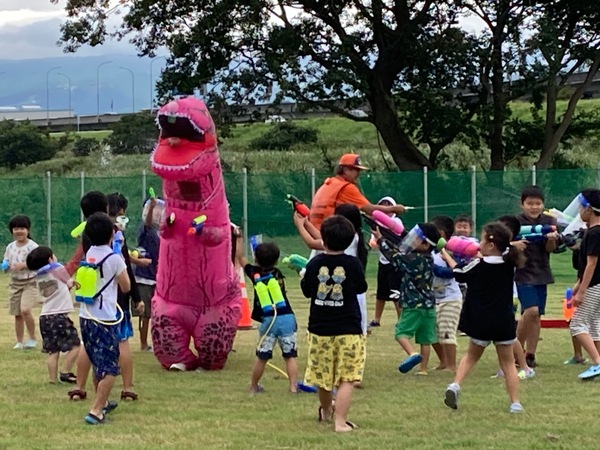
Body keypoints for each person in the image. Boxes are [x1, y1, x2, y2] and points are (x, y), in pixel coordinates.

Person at [444, 222, 525, 414]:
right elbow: (507, 250)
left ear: (490, 245)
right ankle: (515, 403)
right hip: (503, 322)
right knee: (507, 363)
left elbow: (458, 273)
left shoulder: (477, 265)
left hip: (481, 321)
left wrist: (446, 255)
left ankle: (456, 385)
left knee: (471, 356)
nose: (478, 243)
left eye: (482, 239)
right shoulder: (510, 265)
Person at [301, 215, 367, 433]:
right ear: (350, 241)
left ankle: (326, 410)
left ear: (324, 239)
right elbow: (361, 288)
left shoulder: (314, 263)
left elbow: (306, 291)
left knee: (322, 377)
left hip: (319, 329)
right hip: (349, 329)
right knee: (347, 378)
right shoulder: (353, 263)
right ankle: (340, 422)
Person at [79, 212, 131, 425]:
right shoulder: (114, 259)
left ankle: (102, 399)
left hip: (85, 316)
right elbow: (126, 286)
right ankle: (96, 410)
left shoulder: (89, 253)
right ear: (112, 232)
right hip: (105, 319)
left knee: (96, 362)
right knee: (110, 368)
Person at [375, 223, 442, 375]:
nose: (412, 240)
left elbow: (393, 256)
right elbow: (399, 252)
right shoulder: (428, 258)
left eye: (417, 239)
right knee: (425, 339)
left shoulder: (412, 259)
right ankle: (423, 370)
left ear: (425, 245)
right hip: (429, 305)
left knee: (401, 333)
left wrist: (380, 240)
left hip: (414, 305)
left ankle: (412, 354)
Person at [294, 203, 369, 335]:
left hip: (344, 289)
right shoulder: (351, 236)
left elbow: (312, 243)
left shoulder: (346, 238)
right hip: (350, 288)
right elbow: (321, 237)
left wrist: (299, 225)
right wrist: (306, 223)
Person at [241, 242, 298, 393]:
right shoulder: (278, 273)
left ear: (256, 259)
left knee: (262, 357)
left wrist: (238, 239)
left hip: (269, 319)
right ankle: (293, 387)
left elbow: (240, 258)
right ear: (277, 260)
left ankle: (253, 386)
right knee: (290, 355)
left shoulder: (254, 273)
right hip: (287, 317)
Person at [515, 186, 559, 368]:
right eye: (530, 203)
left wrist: (551, 239)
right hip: (523, 272)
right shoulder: (515, 222)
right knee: (530, 311)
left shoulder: (549, 221)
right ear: (522, 204)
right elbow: (503, 244)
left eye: (538, 203)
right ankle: (515, 351)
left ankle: (530, 355)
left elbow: (551, 249)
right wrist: (514, 244)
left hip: (542, 272)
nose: (534, 207)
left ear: (543, 205)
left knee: (536, 316)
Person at [26, 246, 80, 384]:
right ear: (50, 259)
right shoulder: (57, 270)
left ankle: (52, 380)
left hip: (45, 317)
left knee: (53, 351)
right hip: (59, 317)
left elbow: (57, 289)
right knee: (76, 345)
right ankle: (66, 371)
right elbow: (68, 274)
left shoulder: (40, 277)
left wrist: (69, 284)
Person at [308, 153, 405, 230]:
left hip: (318, 233)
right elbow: (370, 210)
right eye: (356, 170)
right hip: (332, 235)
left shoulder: (329, 183)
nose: (358, 174)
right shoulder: (346, 187)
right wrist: (393, 209)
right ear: (345, 170)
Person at [569, 190, 600, 380]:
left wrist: (581, 291)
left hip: (594, 285)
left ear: (589, 209)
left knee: (577, 324)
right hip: (595, 284)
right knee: (596, 324)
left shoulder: (595, 233)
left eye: (581, 207)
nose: (579, 211)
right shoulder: (592, 231)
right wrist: (578, 283)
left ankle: (597, 362)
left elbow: (592, 264)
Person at [430, 216, 462, 372]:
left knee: (447, 331)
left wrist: (434, 267)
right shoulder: (429, 251)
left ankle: (451, 365)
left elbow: (454, 272)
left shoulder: (451, 251)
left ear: (440, 233)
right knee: (431, 332)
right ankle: (443, 361)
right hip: (433, 298)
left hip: (450, 298)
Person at [4, 215, 39, 349]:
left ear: (28, 230)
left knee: (25, 310)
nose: (19, 231)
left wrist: (24, 265)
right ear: (12, 231)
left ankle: (32, 339)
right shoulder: (10, 247)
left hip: (30, 281)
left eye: (22, 228)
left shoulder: (32, 246)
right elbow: (6, 261)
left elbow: (38, 263)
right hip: (15, 283)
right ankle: (19, 341)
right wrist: (5, 266)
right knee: (17, 314)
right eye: (16, 228)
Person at [133, 196, 163, 352]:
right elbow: (148, 222)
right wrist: (151, 207)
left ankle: (157, 342)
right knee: (145, 314)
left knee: (157, 313)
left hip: (156, 276)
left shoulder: (160, 232)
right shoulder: (145, 229)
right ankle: (143, 343)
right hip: (144, 276)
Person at [369, 196, 402, 328]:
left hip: (394, 262)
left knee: (395, 292)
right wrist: (374, 243)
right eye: (383, 205)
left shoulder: (396, 221)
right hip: (383, 262)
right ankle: (376, 319)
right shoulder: (377, 224)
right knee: (381, 293)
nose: (386, 208)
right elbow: (372, 241)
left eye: (389, 205)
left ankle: (401, 320)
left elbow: (398, 239)